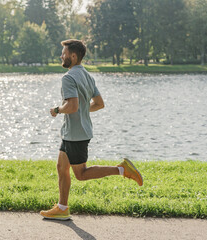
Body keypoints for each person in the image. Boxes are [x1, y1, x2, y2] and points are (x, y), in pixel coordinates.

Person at [40, 39, 143, 220]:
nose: (61, 56)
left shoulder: (68, 78)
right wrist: (80, 108)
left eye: (63, 53)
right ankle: (62, 208)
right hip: (75, 131)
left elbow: (71, 106)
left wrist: (57, 110)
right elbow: (99, 104)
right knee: (61, 167)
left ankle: (122, 169)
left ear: (73, 56)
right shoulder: (87, 75)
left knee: (81, 174)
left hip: (75, 134)